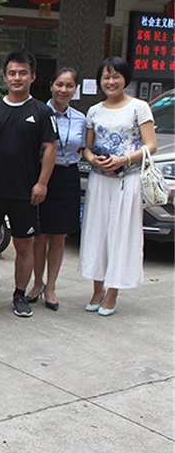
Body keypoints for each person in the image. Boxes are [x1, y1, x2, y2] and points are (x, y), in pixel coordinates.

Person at [0, 50, 57, 318]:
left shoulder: (42, 111)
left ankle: (20, 295)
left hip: (24, 190)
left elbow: (50, 148)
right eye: (12, 73)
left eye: (23, 73)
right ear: (4, 77)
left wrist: (42, 183)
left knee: (24, 245)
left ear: (33, 77)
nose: (17, 77)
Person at [79, 57, 157, 316]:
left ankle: (112, 292)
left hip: (128, 180)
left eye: (116, 76)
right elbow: (87, 148)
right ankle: (97, 289)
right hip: (100, 180)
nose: (110, 82)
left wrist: (124, 159)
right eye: (106, 77)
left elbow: (151, 145)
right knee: (97, 233)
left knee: (121, 235)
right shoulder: (94, 111)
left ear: (125, 79)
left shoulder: (139, 108)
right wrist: (93, 160)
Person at [26, 68, 86, 312]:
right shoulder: (39, 113)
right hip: (42, 175)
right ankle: (37, 283)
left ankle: (51, 287)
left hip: (67, 177)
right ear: (51, 85)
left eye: (69, 85)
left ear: (75, 89)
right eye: (59, 84)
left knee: (59, 235)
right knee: (40, 235)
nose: (63, 90)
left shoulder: (81, 119)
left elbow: (83, 148)